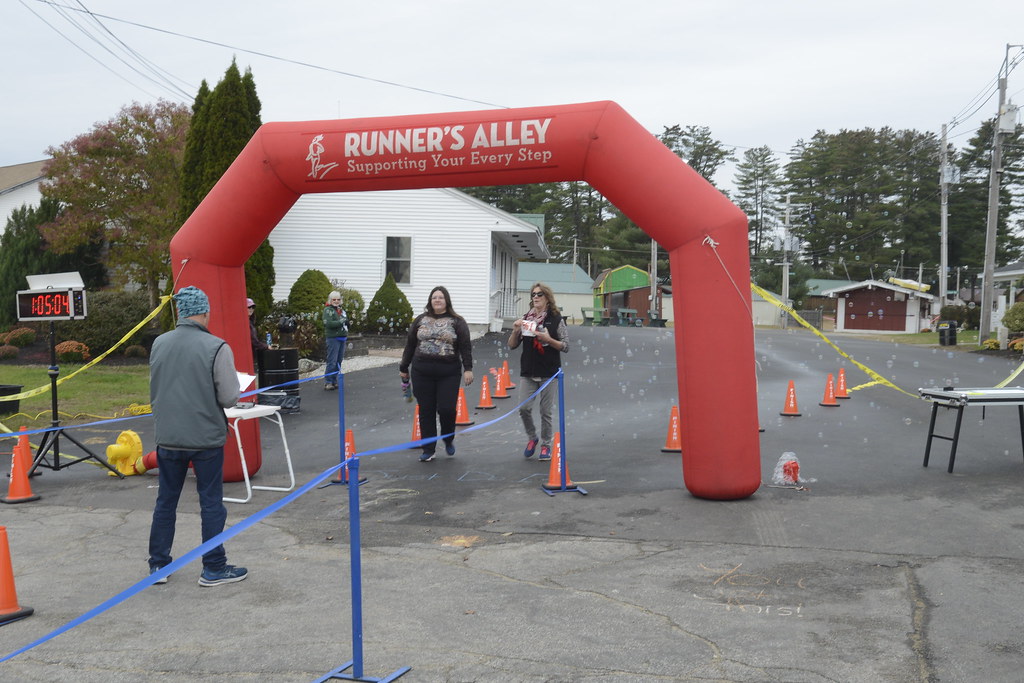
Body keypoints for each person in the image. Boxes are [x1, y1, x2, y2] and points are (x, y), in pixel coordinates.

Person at [148, 286, 247, 587]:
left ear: (180, 312)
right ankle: (213, 566)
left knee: (166, 501)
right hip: (205, 438)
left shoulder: (159, 343)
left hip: (168, 436)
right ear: (204, 312)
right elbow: (229, 397)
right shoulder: (216, 347)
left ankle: (158, 565)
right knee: (211, 502)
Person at [399, 286, 474, 462]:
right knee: (426, 410)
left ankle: (448, 438)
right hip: (421, 372)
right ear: (430, 301)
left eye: (441, 297)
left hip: (449, 372)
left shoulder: (457, 321)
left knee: (446, 409)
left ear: (446, 300)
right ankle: (428, 449)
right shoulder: (420, 320)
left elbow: (465, 346)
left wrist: (468, 368)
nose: (437, 300)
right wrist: (404, 367)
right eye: (434, 297)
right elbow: (410, 344)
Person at [508, 282, 569, 461]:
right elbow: (512, 345)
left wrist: (548, 339)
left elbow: (565, 346)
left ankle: (545, 445)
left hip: (549, 372)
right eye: (533, 294)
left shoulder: (556, 319)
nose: (535, 297)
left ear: (547, 297)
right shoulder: (526, 319)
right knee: (524, 408)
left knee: (545, 411)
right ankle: (532, 437)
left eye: (539, 294)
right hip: (528, 371)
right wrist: (515, 331)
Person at [322, 290, 348, 390]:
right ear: (330, 300)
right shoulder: (328, 310)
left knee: (338, 361)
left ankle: (334, 380)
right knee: (332, 361)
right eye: (334, 299)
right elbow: (328, 324)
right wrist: (341, 321)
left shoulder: (341, 310)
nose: (336, 301)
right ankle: (328, 382)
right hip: (333, 338)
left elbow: (345, 322)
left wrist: (346, 322)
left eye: (338, 299)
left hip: (342, 338)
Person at [247, 297, 269, 371]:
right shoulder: (246, 323)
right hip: (247, 355)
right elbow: (253, 341)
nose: (251, 309)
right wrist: (266, 346)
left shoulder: (250, 322)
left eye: (253, 307)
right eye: (249, 307)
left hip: (251, 355)